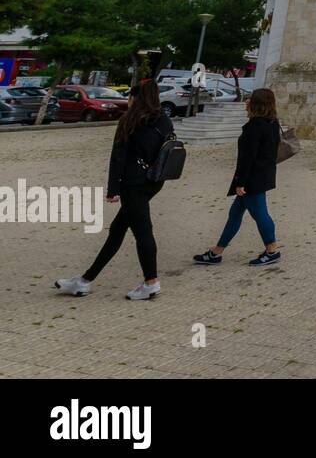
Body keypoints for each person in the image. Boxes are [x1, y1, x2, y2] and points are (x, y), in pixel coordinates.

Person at [55, 79, 173, 300]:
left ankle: (151, 282)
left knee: (143, 232)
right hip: (153, 182)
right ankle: (85, 280)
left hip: (133, 184)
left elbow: (118, 157)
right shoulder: (164, 120)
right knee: (117, 230)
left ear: (135, 97)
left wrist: (113, 189)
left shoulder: (130, 120)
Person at [193, 87, 283, 267]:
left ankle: (272, 249)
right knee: (235, 214)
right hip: (263, 174)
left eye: (250, 99)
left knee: (260, 214)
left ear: (257, 104)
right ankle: (217, 251)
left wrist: (240, 182)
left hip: (252, 179)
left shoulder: (255, 127)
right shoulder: (272, 123)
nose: (246, 101)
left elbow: (247, 158)